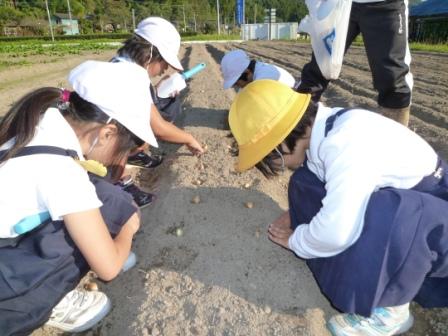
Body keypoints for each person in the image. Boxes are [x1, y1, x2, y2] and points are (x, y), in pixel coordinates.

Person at [228, 80, 448, 336]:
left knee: (387, 211)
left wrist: (296, 241)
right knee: (305, 180)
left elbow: (337, 231)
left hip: (435, 218)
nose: (281, 165)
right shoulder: (326, 132)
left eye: (272, 156)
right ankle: (360, 267)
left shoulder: (346, 142)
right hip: (419, 226)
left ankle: (390, 312)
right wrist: (295, 216)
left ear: (283, 140)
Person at [0, 60, 155, 334]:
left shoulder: (38, 119)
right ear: (107, 133)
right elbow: (107, 270)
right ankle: (51, 299)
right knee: (84, 237)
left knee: (101, 195)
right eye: (125, 149)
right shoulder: (62, 172)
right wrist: (128, 230)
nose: (122, 158)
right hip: (7, 286)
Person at [296, 0, 413, 126]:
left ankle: (395, 135)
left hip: (384, 4)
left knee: (392, 77)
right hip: (338, 4)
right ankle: (294, 127)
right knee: (319, 68)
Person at [220, 49, 296, 90]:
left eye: (236, 83)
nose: (238, 86)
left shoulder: (263, 80)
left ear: (247, 73)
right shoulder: (256, 71)